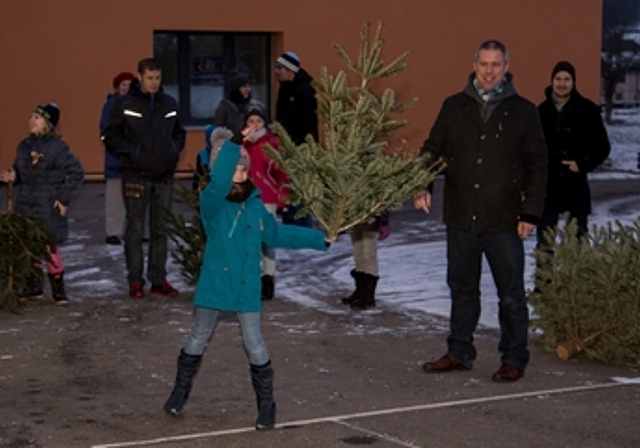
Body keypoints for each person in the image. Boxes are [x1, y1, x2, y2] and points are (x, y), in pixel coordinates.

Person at [162, 128, 329, 430]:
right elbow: (220, 177)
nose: (238, 174)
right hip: (215, 282)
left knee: (255, 343)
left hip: (245, 285)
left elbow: (278, 235)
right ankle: (179, 392)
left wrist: (320, 239)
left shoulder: (255, 205)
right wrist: (234, 145)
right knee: (198, 336)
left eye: (242, 168)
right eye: (233, 169)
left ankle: (267, 406)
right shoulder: (212, 203)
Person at [414, 40, 547, 382]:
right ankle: (459, 351)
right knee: (462, 290)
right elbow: (433, 150)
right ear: (474, 64)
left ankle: (514, 357)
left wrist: (530, 213)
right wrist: (422, 184)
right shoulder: (454, 107)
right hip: (461, 217)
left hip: (504, 220)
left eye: (496, 65)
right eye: (484, 64)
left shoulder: (523, 111)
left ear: (506, 66)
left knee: (511, 296)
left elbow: (537, 165)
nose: (489, 71)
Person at [103, 57, 186, 299]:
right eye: (149, 78)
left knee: (160, 229)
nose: (154, 82)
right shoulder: (125, 103)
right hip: (136, 176)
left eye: (158, 78)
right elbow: (110, 136)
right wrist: (133, 152)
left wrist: (173, 151)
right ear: (140, 77)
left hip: (164, 176)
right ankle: (135, 280)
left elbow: (179, 133)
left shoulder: (169, 103)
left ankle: (158, 279)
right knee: (135, 230)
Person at [0, 103, 84, 306]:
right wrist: (14, 176)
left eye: (36, 118)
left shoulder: (57, 148)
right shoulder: (24, 146)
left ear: (48, 124)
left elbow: (76, 172)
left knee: (49, 247)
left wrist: (63, 198)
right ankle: (32, 287)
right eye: (31, 117)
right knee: (29, 245)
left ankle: (58, 291)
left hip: (47, 205)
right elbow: (19, 171)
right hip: (25, 203)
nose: (31, 121)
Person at [537, 61, 611, 245]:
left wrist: (582, 163)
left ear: (573, 82)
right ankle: (545, 275)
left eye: (567, 79)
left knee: (578, 241)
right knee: (545, 242)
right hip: (548, 186)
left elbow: (603, 147)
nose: (562, 84)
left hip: (575, 185)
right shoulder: (541, 111)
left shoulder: (587, 110)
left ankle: (577, 275)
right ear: (551, 81)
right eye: (558, 79)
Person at [241, 103, 287, 300]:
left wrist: (283, 195)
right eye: (251, 121)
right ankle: (249, 279)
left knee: (266, 239)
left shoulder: (271, 144)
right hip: (245, 198)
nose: (255, 125)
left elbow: (281, 172)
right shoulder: (241, 145)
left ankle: (268, 279)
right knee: (248, 239)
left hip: (266, 197)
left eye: (258, 121)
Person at [274, 51, 318, 227]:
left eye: (280, 68)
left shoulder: (305, 90)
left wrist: (296, 144)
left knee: (299, 189)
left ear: (290, 69)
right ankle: (290, 225)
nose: (277, 72)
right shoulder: (285, 88)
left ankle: (302, 227)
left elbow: (308, 122)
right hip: (285, 147)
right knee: (286, 187)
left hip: (300, 149)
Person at [100, 71, 136, 245]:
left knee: (135, 198)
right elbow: (106, 130)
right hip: (116, 160)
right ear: (117, 87)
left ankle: (134, 231)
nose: (126, 88)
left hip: (135, 161)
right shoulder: (110, 106)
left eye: (129, 85)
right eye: (123, 85)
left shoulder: (137, 104)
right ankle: (113, 232)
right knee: (114, 199)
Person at [340, 215, 389, 310]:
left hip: (371, 218)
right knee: (358, 252)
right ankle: (360, 290)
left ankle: (368, 294)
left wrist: (384, 221)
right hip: (355, 217)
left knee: (368, 254)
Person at [213, 70, 262, 137]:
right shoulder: (225, 107)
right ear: (236, 89)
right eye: (244, 87)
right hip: (230, 143)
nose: (247, 89)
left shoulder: (254, 105)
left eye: (249, 86)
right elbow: (218, 130)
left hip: (251, 143)